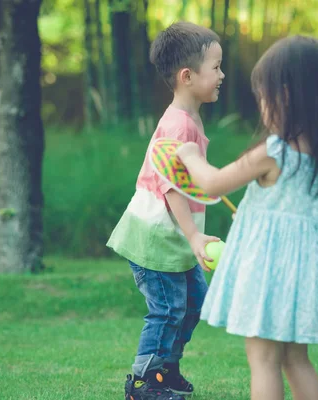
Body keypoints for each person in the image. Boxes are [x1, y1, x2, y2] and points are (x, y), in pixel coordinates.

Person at [176, 35, 318, 400]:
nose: (262, 107)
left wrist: (190, 155)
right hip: (306, 275)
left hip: (271, 273)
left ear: (285, 95)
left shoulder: (273, 153)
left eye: (264, 97)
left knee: (264, 359)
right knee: (296, 359)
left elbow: (212, 184)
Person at [106, 21, 224, 400]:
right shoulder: (178, 125)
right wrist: (193, 235)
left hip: (172, 238)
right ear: (187, 76)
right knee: (168, 309)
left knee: (192, 305)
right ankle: (144, 382)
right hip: (156, 236)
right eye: (217, 67)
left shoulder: (188, 119)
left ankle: (165, 372)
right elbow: (171, 186)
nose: (223, 75)